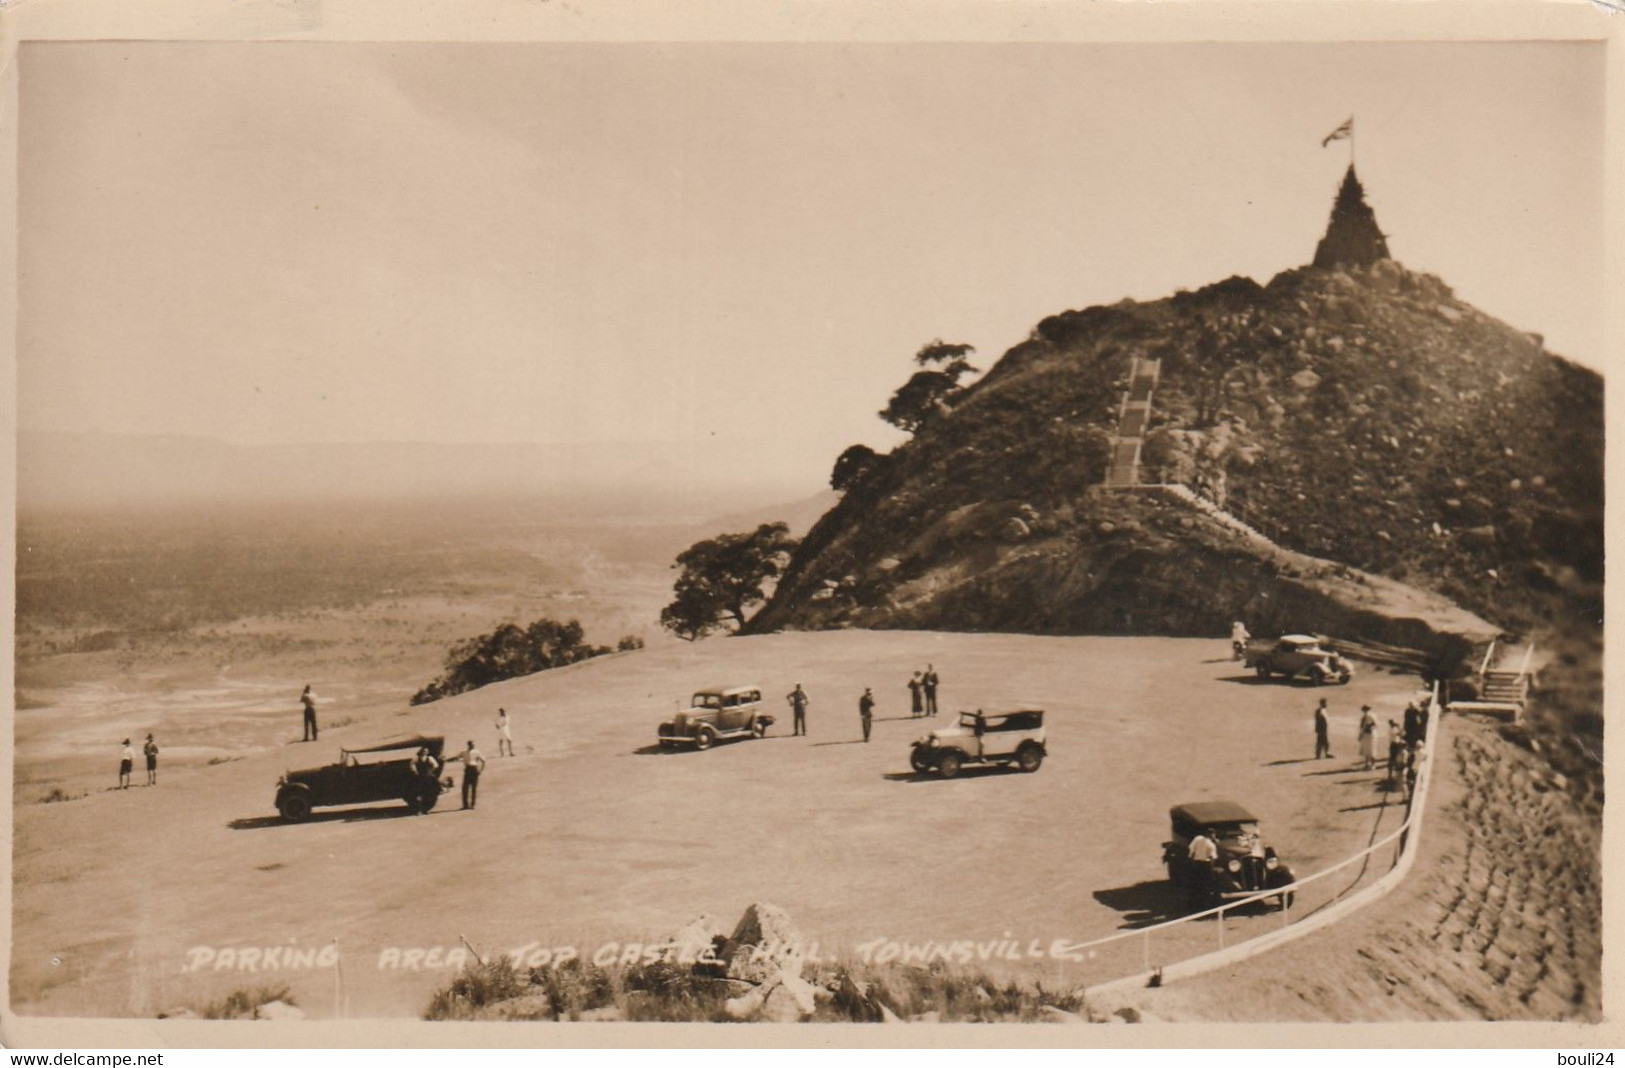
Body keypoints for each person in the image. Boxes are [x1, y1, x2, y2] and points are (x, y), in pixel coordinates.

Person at [458, 740, 486, 810]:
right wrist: (446, 760)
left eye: (473, 745)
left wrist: (480, 770)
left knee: (473, 788)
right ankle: (465, 805)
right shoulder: (464, 752)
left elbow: (483, 761)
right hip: (467, 769)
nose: (473, 746)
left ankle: (473, 804)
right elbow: (456, 757)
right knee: (465, 788)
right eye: (471, 745)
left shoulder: (476, 752)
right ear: (468, 745)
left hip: (474, 769)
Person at [1358, 706, 1377, 770]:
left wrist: (1370, 727)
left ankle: (1373, 765)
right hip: (1365, 735)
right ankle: (1367, 764)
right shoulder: (1364, 717)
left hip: (1370, 735)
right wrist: (1360, 735)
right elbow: (1362, 727)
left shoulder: (1371, 716)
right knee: (1366, 751)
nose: (1365, 711)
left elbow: (1375, 724)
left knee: (1371, 750)